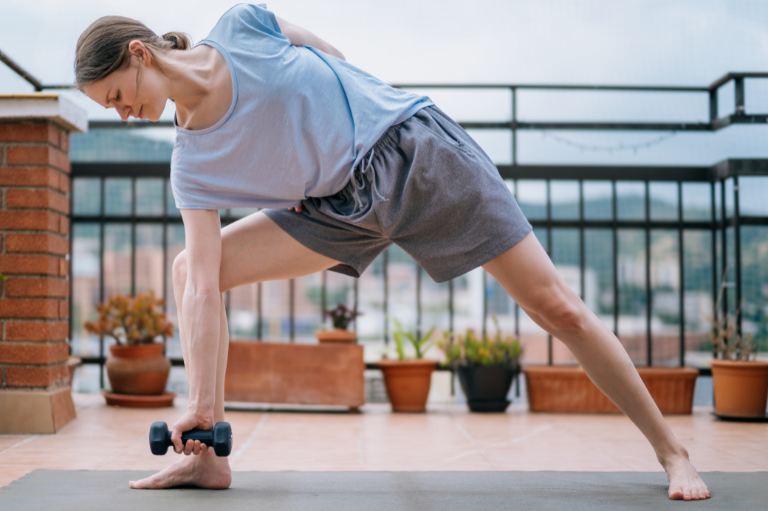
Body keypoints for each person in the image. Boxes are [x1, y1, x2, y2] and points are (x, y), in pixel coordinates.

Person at [74, 3, 710, 500]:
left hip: (413, 155)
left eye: (117, 97)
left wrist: (331, 135)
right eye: (111, 109)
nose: (123, 113)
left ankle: (671, 451)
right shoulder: (191, 164)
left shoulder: (244, 25)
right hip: (336, 208)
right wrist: (198, 407)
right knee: (191, 267)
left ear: (139, 54)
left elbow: (333, 57)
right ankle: (208, 456)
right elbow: (200, 286)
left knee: (558, 308)